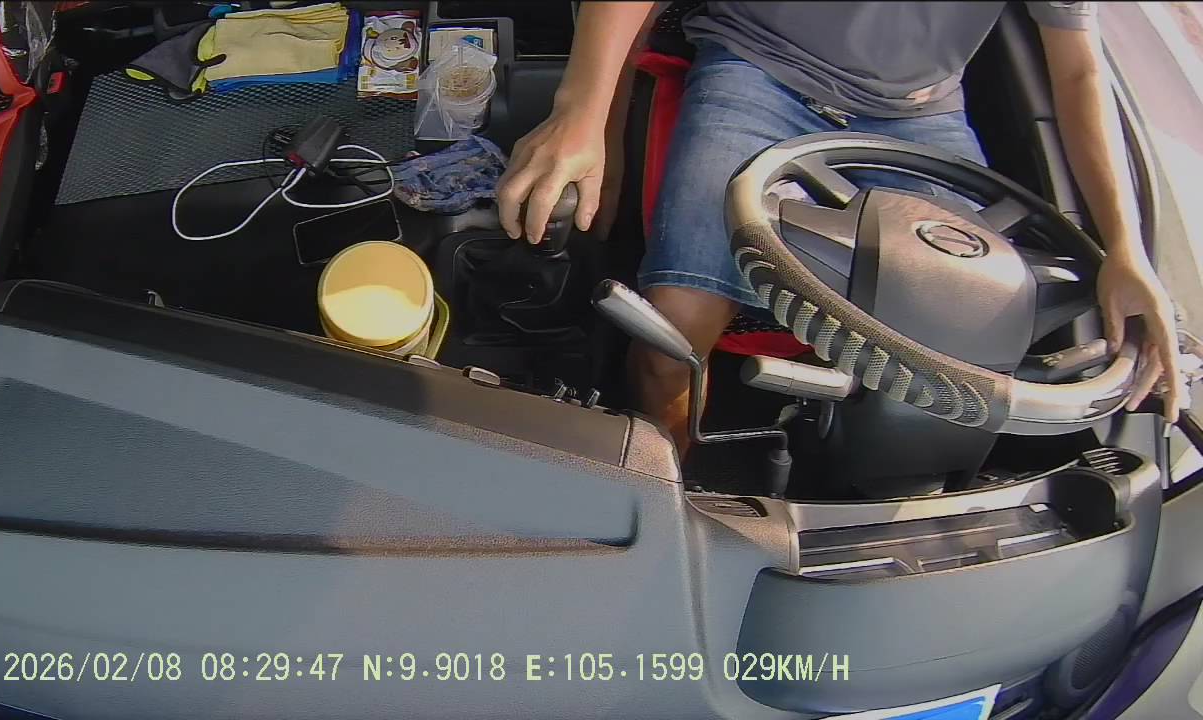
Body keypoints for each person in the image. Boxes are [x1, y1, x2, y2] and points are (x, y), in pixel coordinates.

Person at [496, 1, 1183, 454]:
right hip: (756, 72)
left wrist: (1126, 251)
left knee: (965, 353)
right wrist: (582, 115)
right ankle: (671, 490)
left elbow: (1080, 71)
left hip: (920, 115)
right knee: (668, 340)